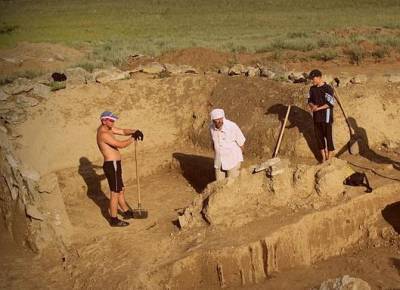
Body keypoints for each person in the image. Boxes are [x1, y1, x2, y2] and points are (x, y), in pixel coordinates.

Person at [96, 111, 144, 227]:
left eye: (113, 120)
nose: (113, 122)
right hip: (112, 165)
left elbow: (122, 131)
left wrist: (134, 131)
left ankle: (126, 212)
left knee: (120, 190)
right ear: (104, 121)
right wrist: (132, 138)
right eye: (111, 120)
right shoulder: (103, 134)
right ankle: (113, 219)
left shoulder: (108, 128)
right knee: (115, 193)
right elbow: (120, 144)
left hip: (115, 165)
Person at [210, 108, 246, 181]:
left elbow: (241, 141)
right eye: (217, 120)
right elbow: (213, 141)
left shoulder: (232, 126)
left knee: (232, 183)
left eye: (221, 119)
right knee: (219, 184)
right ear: (213, 120)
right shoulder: (211, 128)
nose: (219, 121)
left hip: (233, 160)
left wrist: (242, 153)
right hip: (219, 161)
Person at [307, 69, 335, 163]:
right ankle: (323, 158)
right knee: (319, 138)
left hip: (326, 117)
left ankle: (329, 158)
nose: (312, 81)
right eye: (311, 79)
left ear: (319, 77)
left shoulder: (328, 89)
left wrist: (318, 108)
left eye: (313, 78)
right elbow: (310, 101)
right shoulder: (312, 89)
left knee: (328, 137)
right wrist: (312, 106)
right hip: (316, 117)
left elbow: (330, 104)